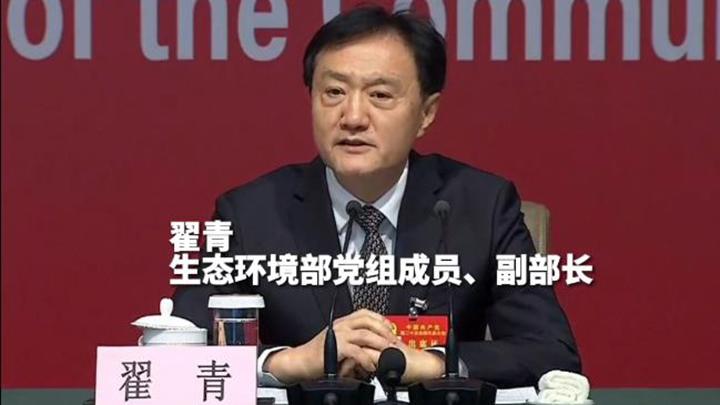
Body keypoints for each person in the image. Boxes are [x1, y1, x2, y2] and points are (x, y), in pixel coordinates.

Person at [173, 5, 581, 388]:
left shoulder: (482, 206)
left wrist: (436, 363)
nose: (352, 117)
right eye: (334, 92)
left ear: (426, 113)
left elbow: (551, 352)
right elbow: (178, 356)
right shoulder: (248, 214)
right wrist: (288, 362)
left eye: (380, 95)